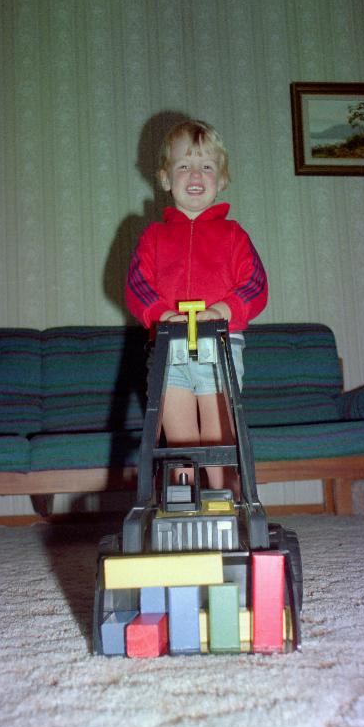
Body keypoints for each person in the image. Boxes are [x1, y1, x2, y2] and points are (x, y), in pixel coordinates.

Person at [125, 120, 267, 490]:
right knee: (180, 441)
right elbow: (137, 285)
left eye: (207, 166)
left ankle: (223, 497)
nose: (195, 174)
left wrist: (226, 309)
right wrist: (160, 314)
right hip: (169, 347)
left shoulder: (234, 235)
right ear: (165, 178)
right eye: (184, 165)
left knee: (220, 435)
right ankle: (183, 504)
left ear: (221, 180)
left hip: (219, 344)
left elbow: (255, 284)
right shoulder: (153, 236)